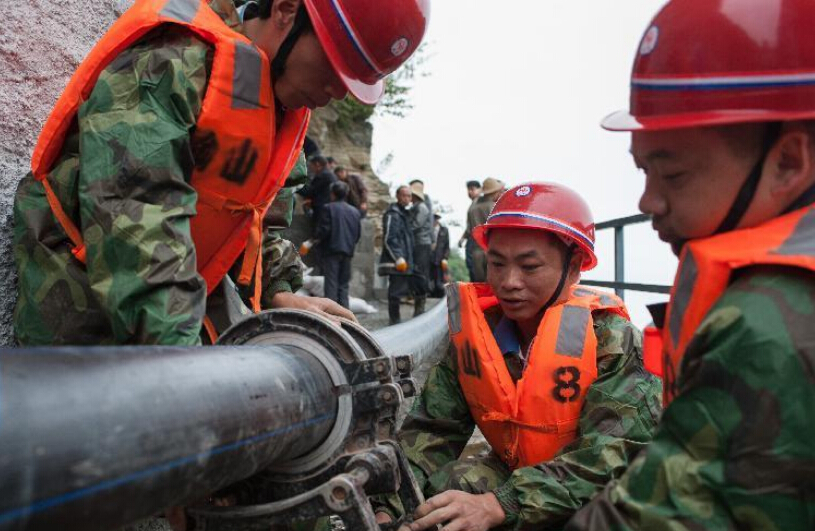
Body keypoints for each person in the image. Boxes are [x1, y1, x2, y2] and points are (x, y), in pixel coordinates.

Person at [12, 0, 429, 346]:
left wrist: (278, 291)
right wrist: (186, 361)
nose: (338, 91)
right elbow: (135, 216)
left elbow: (256, 224)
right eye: (337, 68)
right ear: (285, 9)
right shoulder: (173, 62)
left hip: (173, 319)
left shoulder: (280, 110)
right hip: (80, 317)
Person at [565, 2, 815, 530]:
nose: (647, 201)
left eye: (672, 175)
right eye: (641, 170)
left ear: (789, 162)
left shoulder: (763, 325)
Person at [377, 183, 662, 531]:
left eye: (529, 267)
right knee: (443, 495)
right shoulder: (479, 338)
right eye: (496, 264)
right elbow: (433, 431)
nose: (509, 282)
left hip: (605, 492)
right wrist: (388, 507)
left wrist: (502, 503)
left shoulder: (614, 341)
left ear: (573, 268)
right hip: (520, 473)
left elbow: (611, 458)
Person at [313, 181, 361, 309]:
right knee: (344, 286)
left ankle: (331, 318)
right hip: (348, 252)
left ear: (332, 194)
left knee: (331, 285)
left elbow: (324, 230)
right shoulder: (355, 212)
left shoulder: (328, 208)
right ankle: (345, 317)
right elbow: (357, 234)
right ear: (346, 194)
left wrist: (313, 240)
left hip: (331, 251)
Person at [380, 185, 415, 325]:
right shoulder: (392, 214)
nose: (407, 198)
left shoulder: (404, 214)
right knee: (395, 292)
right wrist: (398, 257)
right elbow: (389, 238)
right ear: (397, 196)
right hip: (396, 260)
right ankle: (394, 320)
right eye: (404, 195)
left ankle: (397, 320)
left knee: (400, 292)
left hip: (405, 259)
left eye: (409, 196)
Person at [467, 177, 504, 282]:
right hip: (493, 252)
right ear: (495, 192)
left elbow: (470, 230)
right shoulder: (495, 207)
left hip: (476, 252)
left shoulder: (472, 209)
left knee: (480, 286)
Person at [410, 181, 433, 316]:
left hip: (422, 244)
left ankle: (421, 305)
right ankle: (418, 304)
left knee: (420, 274)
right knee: (417, 273)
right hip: (418, 243)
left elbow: (416, 225)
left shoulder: (422, 208)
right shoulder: (416, 207)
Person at [297, 154, 337, 221]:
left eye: (311, 165)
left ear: (317, 164)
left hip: (322, 210)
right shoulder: (328, 174)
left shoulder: (323, 175)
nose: (310, 167)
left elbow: (310, 192)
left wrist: (294, 186)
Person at [459, 180, 482, 280]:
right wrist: (462, 238)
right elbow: (469, 226)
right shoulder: (472, 205)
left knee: (476, 265)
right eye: (468, 190)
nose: (470, 192)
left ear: (480, 190)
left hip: (478, 239)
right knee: (471, 264)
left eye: (473, 189)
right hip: (471, 238)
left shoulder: (481, 204)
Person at [429, 213, 450, 297]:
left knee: (439, 278)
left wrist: (445, 258)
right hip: (429, 258)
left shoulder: (444, 230)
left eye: (437, 218)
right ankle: (431, 293)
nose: (435, 220)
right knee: (430, 277)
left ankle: (439, 294)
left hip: (439, 258)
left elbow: (447, 246)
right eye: (434, 218)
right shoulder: (428, 230)